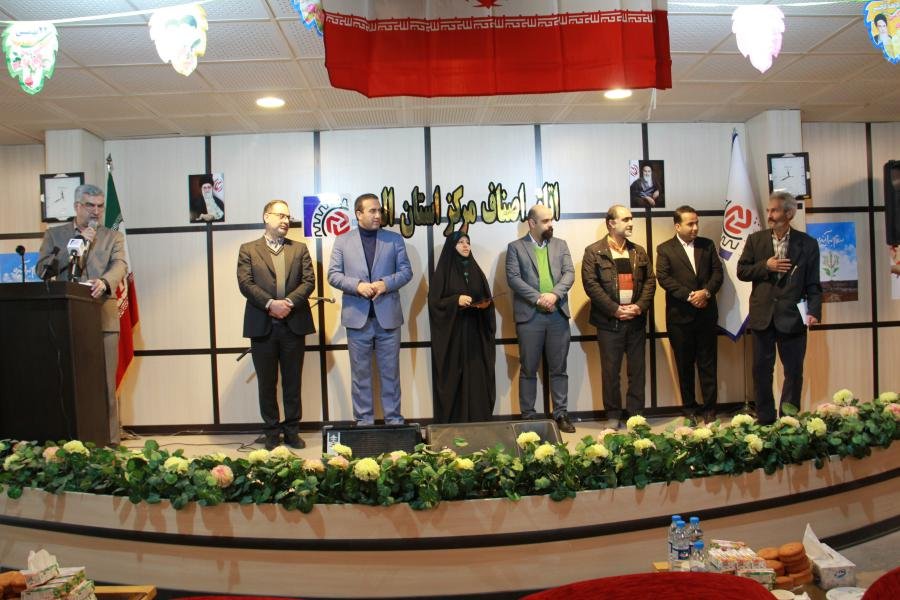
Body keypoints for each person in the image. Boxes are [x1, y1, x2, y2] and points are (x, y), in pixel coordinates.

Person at [36, 184, 127, 444]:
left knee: (106, 383)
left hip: (103, 315)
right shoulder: (55, 235)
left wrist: (105, 282)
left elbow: (120, 265)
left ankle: (110, 441)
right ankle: (69, 439)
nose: (96, 211)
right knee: (70, 380)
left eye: (100, 206)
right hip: (66, 318)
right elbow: (42, 270)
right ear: (77, 206)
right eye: (90, 206)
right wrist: (75, 247)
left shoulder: (112, 236)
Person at [737, 191, 822, 425]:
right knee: (761, 371)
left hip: (792, 317)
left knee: (793, 372)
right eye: (768, 210)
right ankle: (765, 418)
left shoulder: (808, 244)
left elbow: (814, 283)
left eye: (774, 210)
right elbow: (742, 271)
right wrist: (766, 265)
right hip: (762, 316)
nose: (770, 215)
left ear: (789, 213)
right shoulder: (756, 240)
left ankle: (788, 420)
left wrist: (814, 311)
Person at [328, 193, 412, 426]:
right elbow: (333, 275)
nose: (377, 215)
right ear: (358, 214)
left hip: (388, 319)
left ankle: (394, 422)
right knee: (360, 376)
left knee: (390, 375)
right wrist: (357, 286)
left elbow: (406, 271)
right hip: (357, 320)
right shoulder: (342, 241)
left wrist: (386, 284)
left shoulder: (394, 240)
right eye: (372, 211)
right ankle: (364, 424)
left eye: (379, 211)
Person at [237, 200, 315, 450]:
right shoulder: (248, 250)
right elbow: (245, 283)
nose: (285, 221)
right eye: (281, 215)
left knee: (293, 382)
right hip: (262, 325)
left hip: (294, 324)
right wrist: (271, 304)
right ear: (266, 217)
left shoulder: (299, 249)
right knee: (266, 383)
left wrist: (288, 303)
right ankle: (271, 432)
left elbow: (309, 281)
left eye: (288, 217)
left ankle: (292, 431)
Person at [582, 205, 656, 429]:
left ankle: (635, 416)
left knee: (637, 371)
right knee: (610, 372)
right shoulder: (593, 252)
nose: (631, 223)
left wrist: (639, 307)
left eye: (631, 219)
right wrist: (614, 309)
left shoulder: (638, 251)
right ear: (611, 223)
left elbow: (650, 281)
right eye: (625, 219)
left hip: (636, 320)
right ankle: (613, 415)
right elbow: (591, 285)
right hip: (608, 322)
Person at [506, 204, 576, 433]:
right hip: (530, 316)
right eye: (545, 221)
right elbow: (514, 278)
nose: (550, 225)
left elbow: (569, 274)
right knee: (528, 369)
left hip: (557, 314)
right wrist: (538, 298)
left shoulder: (560, 245)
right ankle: (528, 417)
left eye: (551, 220)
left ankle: (561, 414)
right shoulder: (515, 248)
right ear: (532, 223)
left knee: (559, 368)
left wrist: (554, 295)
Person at [656, 206, 723, 423]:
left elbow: (717, 273)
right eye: (690, 224)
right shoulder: (665, 249)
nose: (695, 227)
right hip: (680, 318)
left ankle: (710, 409)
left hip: (706, 315)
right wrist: (690, 296)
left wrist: (706, 292)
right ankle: (689, 408)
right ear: (678, 226)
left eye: (696, 223)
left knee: (708, 364)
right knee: (684, 366)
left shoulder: (707, 245)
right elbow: (664, 278)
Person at [428, 232, 496, 423]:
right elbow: (434, 303)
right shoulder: (443, 272)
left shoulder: (476, 271)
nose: (466, 246)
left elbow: (486, 299)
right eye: (460, 242)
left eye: (468, 242)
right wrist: (455, 300)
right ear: (452, 246)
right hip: (453, 337)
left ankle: (478, 420)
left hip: (475, 336)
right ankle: (454, 423)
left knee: (477, 377)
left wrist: (484, 304)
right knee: (454, 378)